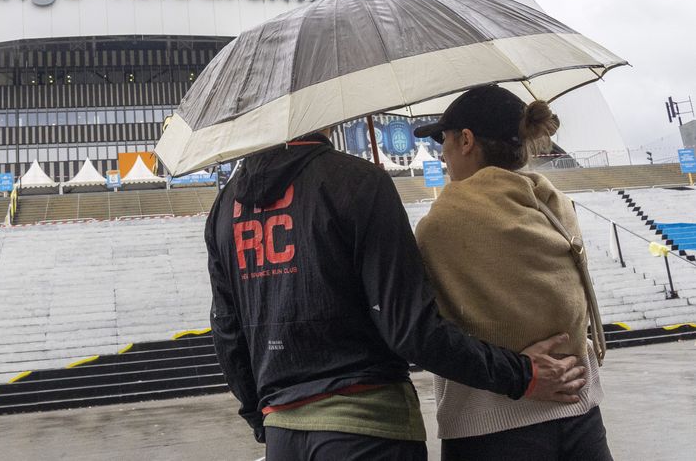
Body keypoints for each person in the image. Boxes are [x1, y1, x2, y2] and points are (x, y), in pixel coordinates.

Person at [205, 127, 587, 460]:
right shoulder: (356, 181)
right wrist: (521, 374)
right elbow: (410, 329)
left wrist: (264, 420)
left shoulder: (224, 207)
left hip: (283, 434)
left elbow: (227, 334)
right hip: (368, 429)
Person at [413, 84, 612, 460]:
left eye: (445, 139)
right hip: (581, 414)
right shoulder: (555, 205)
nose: (442, 152)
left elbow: (426, 332)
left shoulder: (442, 223)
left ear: (466, 140)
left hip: (489, 426)